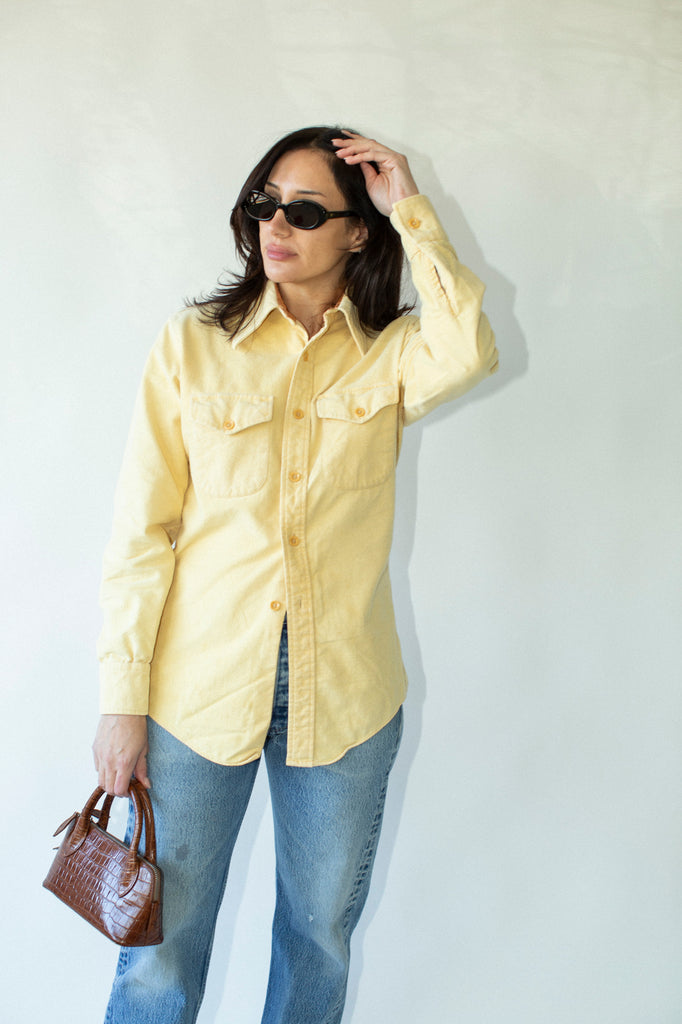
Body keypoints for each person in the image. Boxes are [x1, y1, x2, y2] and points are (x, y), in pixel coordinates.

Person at [92, 126, 498, 1024]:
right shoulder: (193, 345)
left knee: (317, 943)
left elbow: (468, 349)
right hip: (196, 696)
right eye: (265, 202)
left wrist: (412, 210)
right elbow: (141, 534)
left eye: (307, 211)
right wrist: (121, 703)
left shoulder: (390, 354)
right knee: (158, 951)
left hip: (346, 700)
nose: (277, 224)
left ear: (357, 232)